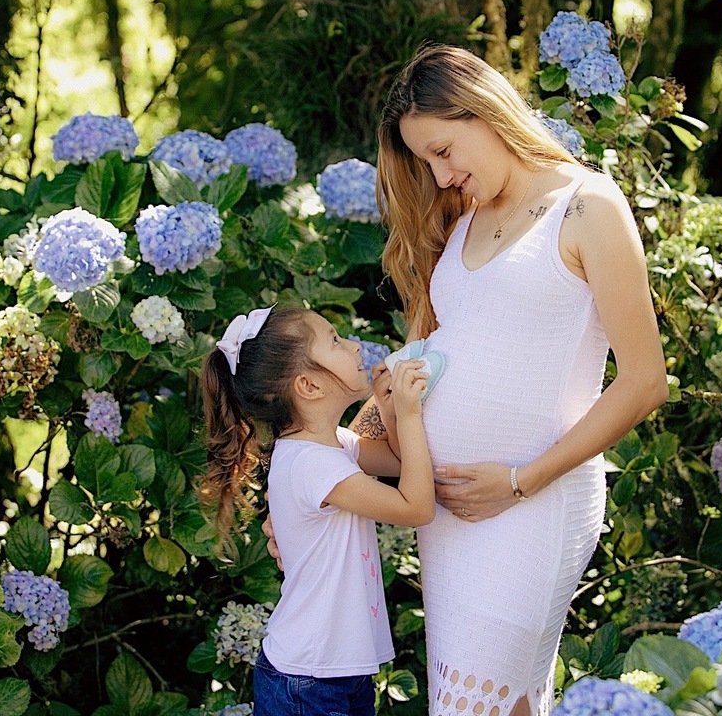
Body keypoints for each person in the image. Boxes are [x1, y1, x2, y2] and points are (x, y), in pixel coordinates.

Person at [272, 44, 667, 715]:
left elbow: (644, 382)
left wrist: (521, 481)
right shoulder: (463, 222)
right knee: (474, 701)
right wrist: (314, 465)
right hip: (451, 515)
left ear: (486, 112)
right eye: (428, 160)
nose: (442, 173)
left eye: (445, 149)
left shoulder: (588, 206)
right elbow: (415, 363)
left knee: (475, 703)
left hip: (531, 503)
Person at [200, 305, 436, 716]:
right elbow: (416, 506)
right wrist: (411, 410)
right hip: (309, 679)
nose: (352, 345)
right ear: (309, 386)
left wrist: (389, 409)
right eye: (334, 340)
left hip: (332, 669)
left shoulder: (334, 445)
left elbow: (400, 462)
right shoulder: (314, 464)